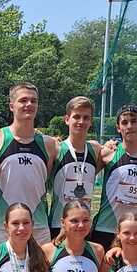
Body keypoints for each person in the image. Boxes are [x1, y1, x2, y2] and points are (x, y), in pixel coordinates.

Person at [0, 82, 59, 245]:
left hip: (38, 227)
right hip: (4, 227)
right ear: (11, 105)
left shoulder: (49, 144)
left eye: (33, 101)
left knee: (40, 271)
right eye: (23, 100)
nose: (29, 104)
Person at [91, 104, 137, 250]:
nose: (129, 126)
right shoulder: (107, 153)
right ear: (118, 127)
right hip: (105, 228)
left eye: (134, 121)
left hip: (133, 231)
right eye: (124, 122)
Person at [47, 97, 106, 240]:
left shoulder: (96, 149)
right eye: (76, 117)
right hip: (58, 224)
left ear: (91, 121)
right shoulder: (56, 148)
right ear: (67, 119)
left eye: (86, 118)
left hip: (83, 225)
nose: (81, 121)